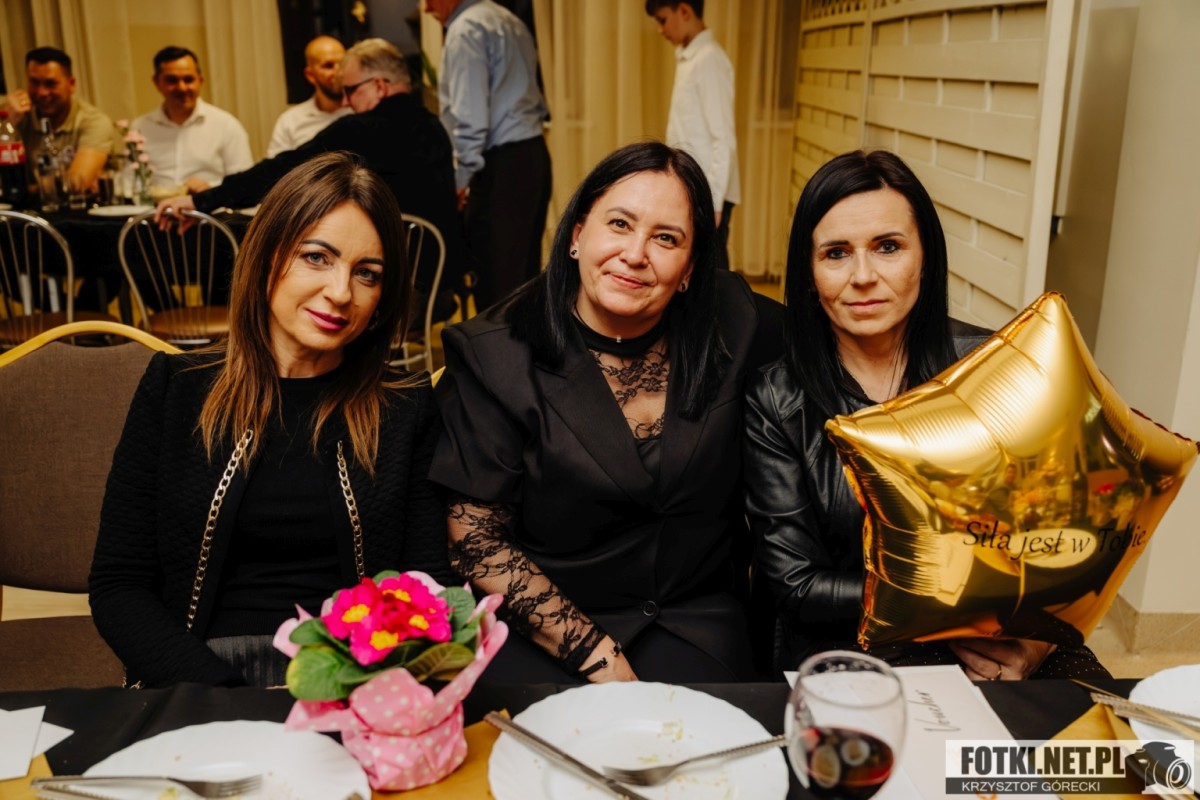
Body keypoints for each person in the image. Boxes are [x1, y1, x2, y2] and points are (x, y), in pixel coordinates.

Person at [743, 149, 1110, 681]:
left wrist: (1035, 643)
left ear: (925, 258)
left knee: (1100, 733)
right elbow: (799, 586)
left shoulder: (995, 366)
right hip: (853, 642)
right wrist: (954, 610)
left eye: (888, 247)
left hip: (1005, 635)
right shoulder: (777, 398)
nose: (863, 276)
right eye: (837, 253)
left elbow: (1064, 535)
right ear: (809, 273)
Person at [89, 153, 453, 689]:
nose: (341, 292)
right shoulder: (178, 387)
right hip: (196, 675)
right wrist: (221, 696)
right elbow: (119, 585)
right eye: (316, 257)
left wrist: (356, 694)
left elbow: (427, 587)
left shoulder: (406, 406)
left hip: (349, 682)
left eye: (367, 274)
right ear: (267, 256)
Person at [429, 141, 783, 684]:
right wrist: (600, 658)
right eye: (619, 224)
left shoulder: (736, 320)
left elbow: (839, 332)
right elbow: (477, 543)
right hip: (542, 626)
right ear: (577, 235)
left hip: (696, 626)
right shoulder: (494, 355)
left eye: (666, 238)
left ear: (690, 268)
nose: (636, 254)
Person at [154, 39, 467, 324]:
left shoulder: (362, 129)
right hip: (440, 292)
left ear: (379, 86)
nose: (345, 102)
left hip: (395, 301)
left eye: (350, 90)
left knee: (284, 283)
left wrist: (200, 200)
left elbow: (283, 171)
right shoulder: (434, 127)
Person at [424, 0, 552, 309]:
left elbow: (470, 118)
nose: (427, 9)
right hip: (532, 154)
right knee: (523, 276)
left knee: (497, 286)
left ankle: (500, 344)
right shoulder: (508, 19)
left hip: (501, 165)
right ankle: (525, 342)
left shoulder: (465, 29)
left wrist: (459, 179)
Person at [646, 0, 739, 269]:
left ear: (684, 12)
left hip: (710, 188)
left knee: (713, 267)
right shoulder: (689, 57)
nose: (661, 30)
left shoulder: (709, 60)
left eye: (663, 20)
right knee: (693, 264)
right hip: (693, 184)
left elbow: (723, 138)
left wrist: (714, 202)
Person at [131, 46, 253, 192]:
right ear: (157, 82)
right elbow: (129, 181)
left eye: (188, 79)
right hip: (154, 206)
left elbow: (245, 185)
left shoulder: (227, 126)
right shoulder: (140, 127)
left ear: (200, 80)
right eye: (172, 80)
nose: (182, 88)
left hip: (209, 205)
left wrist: (211, 190)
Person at [3, 46, 118, 193]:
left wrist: (21, 191)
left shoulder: (93, 121)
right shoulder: (16, 115)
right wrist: (8, 126)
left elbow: (77, 184)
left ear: (71, 84)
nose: (42, 92)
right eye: (35, 82)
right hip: (25, 207)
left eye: (50, 83)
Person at [266, 36, 352, 158]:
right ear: (310, 75)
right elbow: (276, 167)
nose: (339, 72)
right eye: (328, 65)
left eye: (342, 64)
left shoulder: (362, 111)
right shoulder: (290, 121)